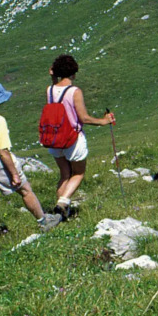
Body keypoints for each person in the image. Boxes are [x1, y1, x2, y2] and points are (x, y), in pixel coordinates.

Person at [0, 81, 64, 231]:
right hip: (0, 163)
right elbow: (3, 152)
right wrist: (14, 174)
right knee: (25, 190)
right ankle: (43, 221)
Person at [43, 53, 114, 218]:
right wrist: (104, 121)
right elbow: (84, 118)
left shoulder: (50, 89)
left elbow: (55, 87)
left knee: (64, 174)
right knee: (78, 173)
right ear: (74, 73)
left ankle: (63, 212)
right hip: (72, 138)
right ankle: (63, 202)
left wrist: (53, 76)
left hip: (54, 139)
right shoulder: (74, 91)